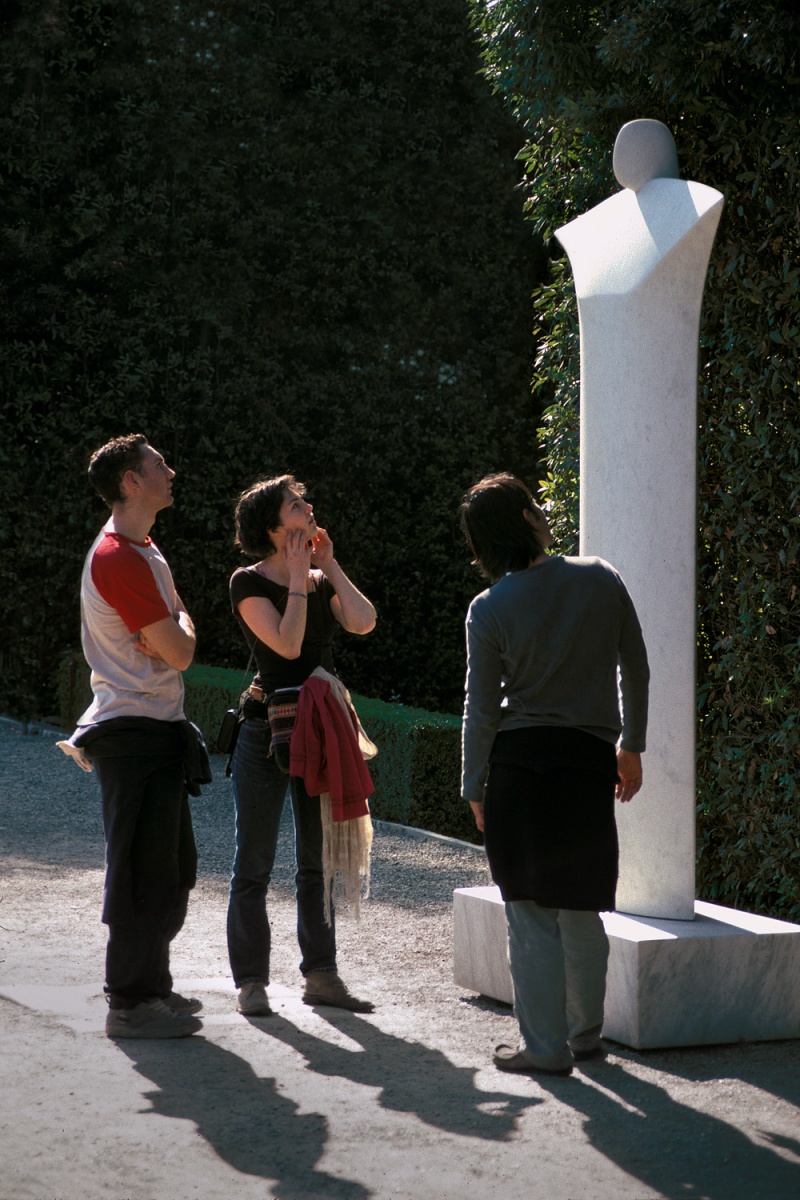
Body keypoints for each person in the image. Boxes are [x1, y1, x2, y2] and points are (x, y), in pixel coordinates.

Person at [459, 473, 649, 1076]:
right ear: (528, 519)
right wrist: (631, 746)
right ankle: (585, 1037)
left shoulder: (488, 608)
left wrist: (473, 785)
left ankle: (544, 1049)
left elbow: (481, 709)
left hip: (518, 767)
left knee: (530, 911)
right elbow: (636, 669)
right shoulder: (600, 577)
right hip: (587, 761)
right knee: (582, 904)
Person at [58, 434, 206, 1040]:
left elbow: (181, 634)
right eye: (158, 465)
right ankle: (129, 1002)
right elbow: (181, 648)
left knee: (171, 869)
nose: (170, 470)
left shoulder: (143, 549)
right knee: (142, 871)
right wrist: (177, 631)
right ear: (131, 482)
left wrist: (178, 629)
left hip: (154, 728)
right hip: (132, 730)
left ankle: (151, 989)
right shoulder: (119, 555)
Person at [227, 475, 377, 1017]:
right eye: (296, 505)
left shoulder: (318, 577)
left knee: (318, 860)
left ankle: (322, 975)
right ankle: (251, 982)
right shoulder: (246, 582)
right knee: (255, 861)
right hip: (265, 730)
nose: (308, 508)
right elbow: (287, 645)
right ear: (273, 528)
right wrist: (296, 577)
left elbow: (363, 622)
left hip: (321, 729)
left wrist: (328, 565)